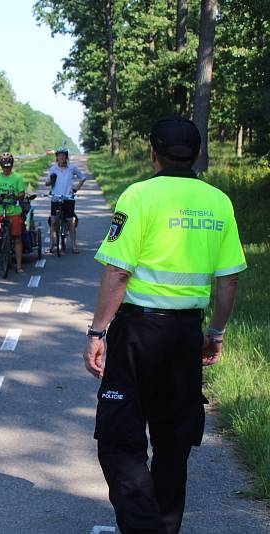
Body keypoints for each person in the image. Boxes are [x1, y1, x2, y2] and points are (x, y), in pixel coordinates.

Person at [82, 116, 247, 534]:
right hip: (186, 334)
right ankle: (163, 526)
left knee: (120, 437)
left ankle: (143, 527)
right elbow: (229, 278)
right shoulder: (218, 201)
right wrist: (216, 333)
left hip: (137, 332)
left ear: (152, 152)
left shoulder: (140, 196)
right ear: (197, 154)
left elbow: (118, 272)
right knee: (174, 442)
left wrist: (98, 331)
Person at [0, 152, 26, 274]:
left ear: (11, 166)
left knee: (17, 238)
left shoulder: (17, 178)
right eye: (4, 167)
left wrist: (14, 196)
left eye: (8, 167)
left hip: (13, 210)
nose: (6, 169)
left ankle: (18, 266)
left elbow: (22, 194)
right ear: (1, 166)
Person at [45, 146, 87, 254]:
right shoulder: (53, 169)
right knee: (53, 221)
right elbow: (47, 183)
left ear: (66, 157)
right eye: (59, 155)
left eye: (64, 155)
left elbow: (82, 177)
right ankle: (51, 247)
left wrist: (76, 188)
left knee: (70, 221)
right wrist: (51, 179)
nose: (62, 157)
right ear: (57, 157)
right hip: (56, 197)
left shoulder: (71, 168)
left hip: (68, 197)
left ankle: (73, 246)